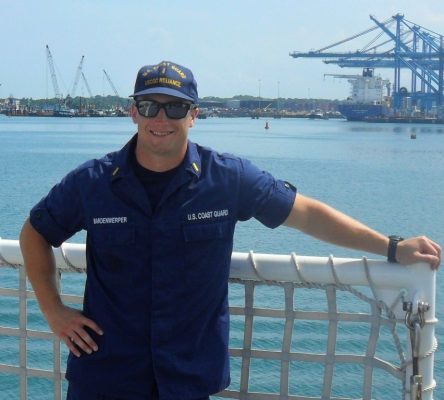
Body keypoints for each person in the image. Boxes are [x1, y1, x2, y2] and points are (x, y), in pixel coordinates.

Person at [19, 60, 441, 400]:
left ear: (194, 115)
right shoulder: (92, 182)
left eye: (175, 107)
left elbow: (306, 213)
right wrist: (53, 310)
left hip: (186, 377)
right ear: (133, 113)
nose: (160, 118)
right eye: (149, 106)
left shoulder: (227, 179)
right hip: (103, 373)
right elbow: (35, 233)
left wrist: (391, 247)